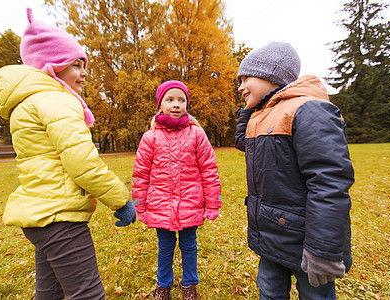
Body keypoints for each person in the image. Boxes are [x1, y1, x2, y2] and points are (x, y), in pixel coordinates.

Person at [0, 8, 136, 300]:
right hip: (61, 219)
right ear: (54, 64)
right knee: (88, 294)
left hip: (39, 218)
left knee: (49, 294)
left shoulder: (28, 103)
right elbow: (81, 161)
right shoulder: (57, 100)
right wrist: (120, 201)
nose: (84, 73)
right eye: (77, 64)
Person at [235, 41, 354, 299]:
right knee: (269, 292)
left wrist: (321, 249)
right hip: (272, 237)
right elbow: (242, 142)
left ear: (271, 74)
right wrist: (249, 111)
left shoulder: (308, 109)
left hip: (307, 246)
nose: (241, 87)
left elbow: (329, 181)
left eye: (246, 78)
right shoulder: (265, 114)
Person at [132, 80, 222, 300]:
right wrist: (138, 206)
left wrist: (213, 203)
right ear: (160, 105)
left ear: (187, 105)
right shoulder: (150, 137)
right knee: (165, 246)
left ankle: (189, 285)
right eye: (170, 100)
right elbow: (140, 175)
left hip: (190, 204)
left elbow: (209, 170)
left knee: (189, 245)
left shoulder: (197, 134)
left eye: (181, 100)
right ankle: (163, 285)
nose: (176, 105)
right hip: (160, 205)